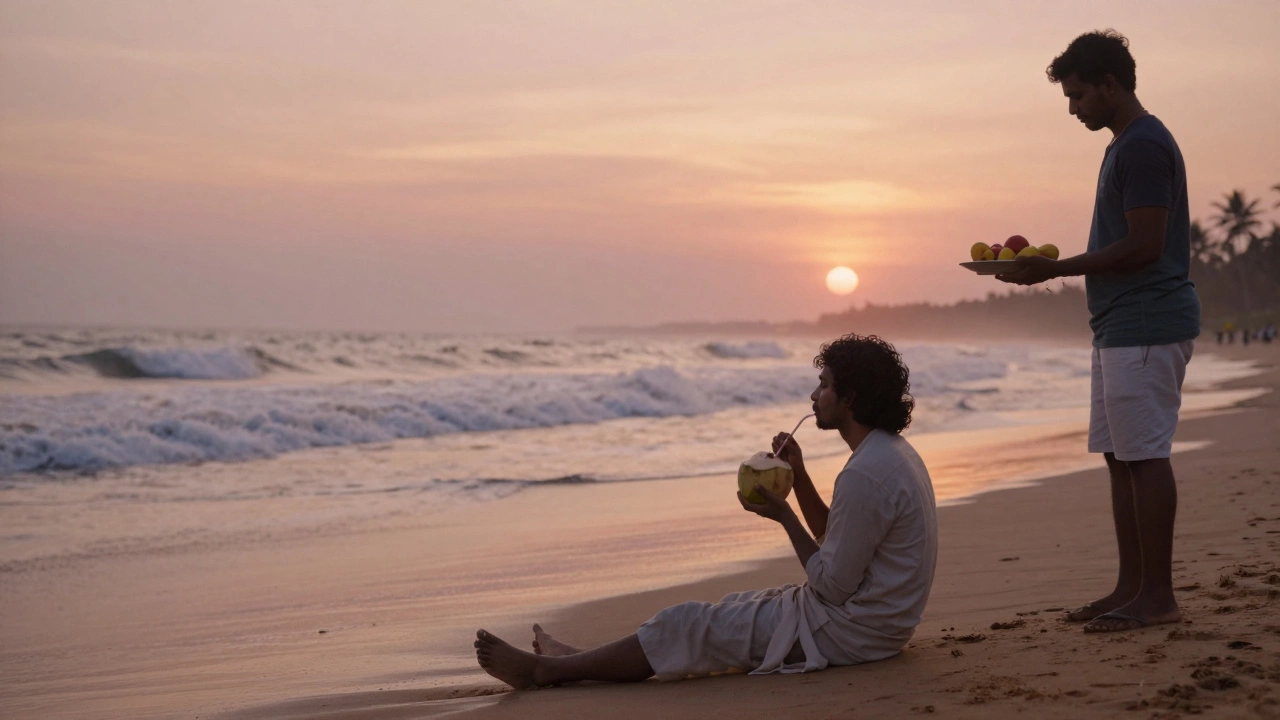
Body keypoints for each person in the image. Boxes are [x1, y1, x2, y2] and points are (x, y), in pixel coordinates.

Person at [474, 334, 938, 687]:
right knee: (728, 611)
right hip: (877, 625)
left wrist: (783, 518)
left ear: (850, 397)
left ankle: (545, 672)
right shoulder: (890, 453)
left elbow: (833, 586)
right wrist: (798, 475)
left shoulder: (865, 475)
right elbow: (834, 538)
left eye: (824, 385)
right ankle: (572, 660)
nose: (814, 397)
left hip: (851, 633)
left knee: (687, 622)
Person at [998, 30, 1200, 633]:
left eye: (1080, 94)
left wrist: (1055, 269)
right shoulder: (1123, 145)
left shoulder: (1142, 147)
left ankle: (1158, 597)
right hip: (1118, 325)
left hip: (1146, 321)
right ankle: (1131, 586)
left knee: (1144, 456)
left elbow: (1145, 245)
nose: (1073, 107)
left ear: (1110, 85)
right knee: (1120, 456)